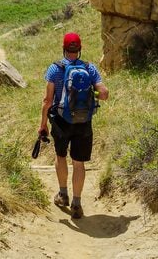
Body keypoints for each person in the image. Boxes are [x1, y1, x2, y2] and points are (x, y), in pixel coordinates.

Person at [37, 32, 109, 219]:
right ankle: (77, 203)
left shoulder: (55, 69)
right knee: (79, 163)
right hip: (84, 121)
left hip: (61, 121)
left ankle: (63, 194)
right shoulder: (89, 68)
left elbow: (47, 100)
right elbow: (104, 93)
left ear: (63, 48)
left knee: (61, 157)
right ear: (80, 49)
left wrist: (43, 124)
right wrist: (92, 93)